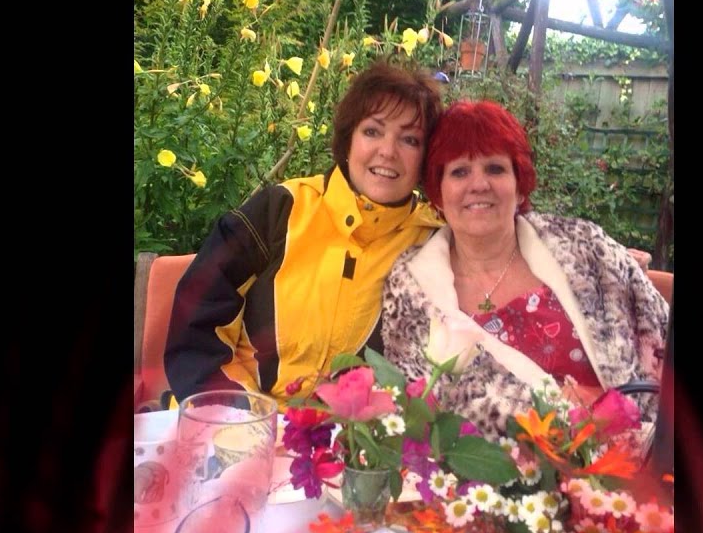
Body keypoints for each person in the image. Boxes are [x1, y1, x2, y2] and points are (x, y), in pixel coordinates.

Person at [380, 99, 669, 440]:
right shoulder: (411, 287)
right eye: (459, 172)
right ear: (438, 194)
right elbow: (417, 414)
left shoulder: (586, 246)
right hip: (497, 470)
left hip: (639, 456)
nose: (479, 184)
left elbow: (662, 336)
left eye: (495, 169)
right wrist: (567, 419)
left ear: (520, 186)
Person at [164, 60, 444, 406]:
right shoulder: (280, 210)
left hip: (354, 433)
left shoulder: (433, 246)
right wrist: (242, 416)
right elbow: (196, 324)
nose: (388, 151)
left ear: (426, 158)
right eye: (373, 131)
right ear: (348, 139)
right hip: (239, 416)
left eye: (409, 139)